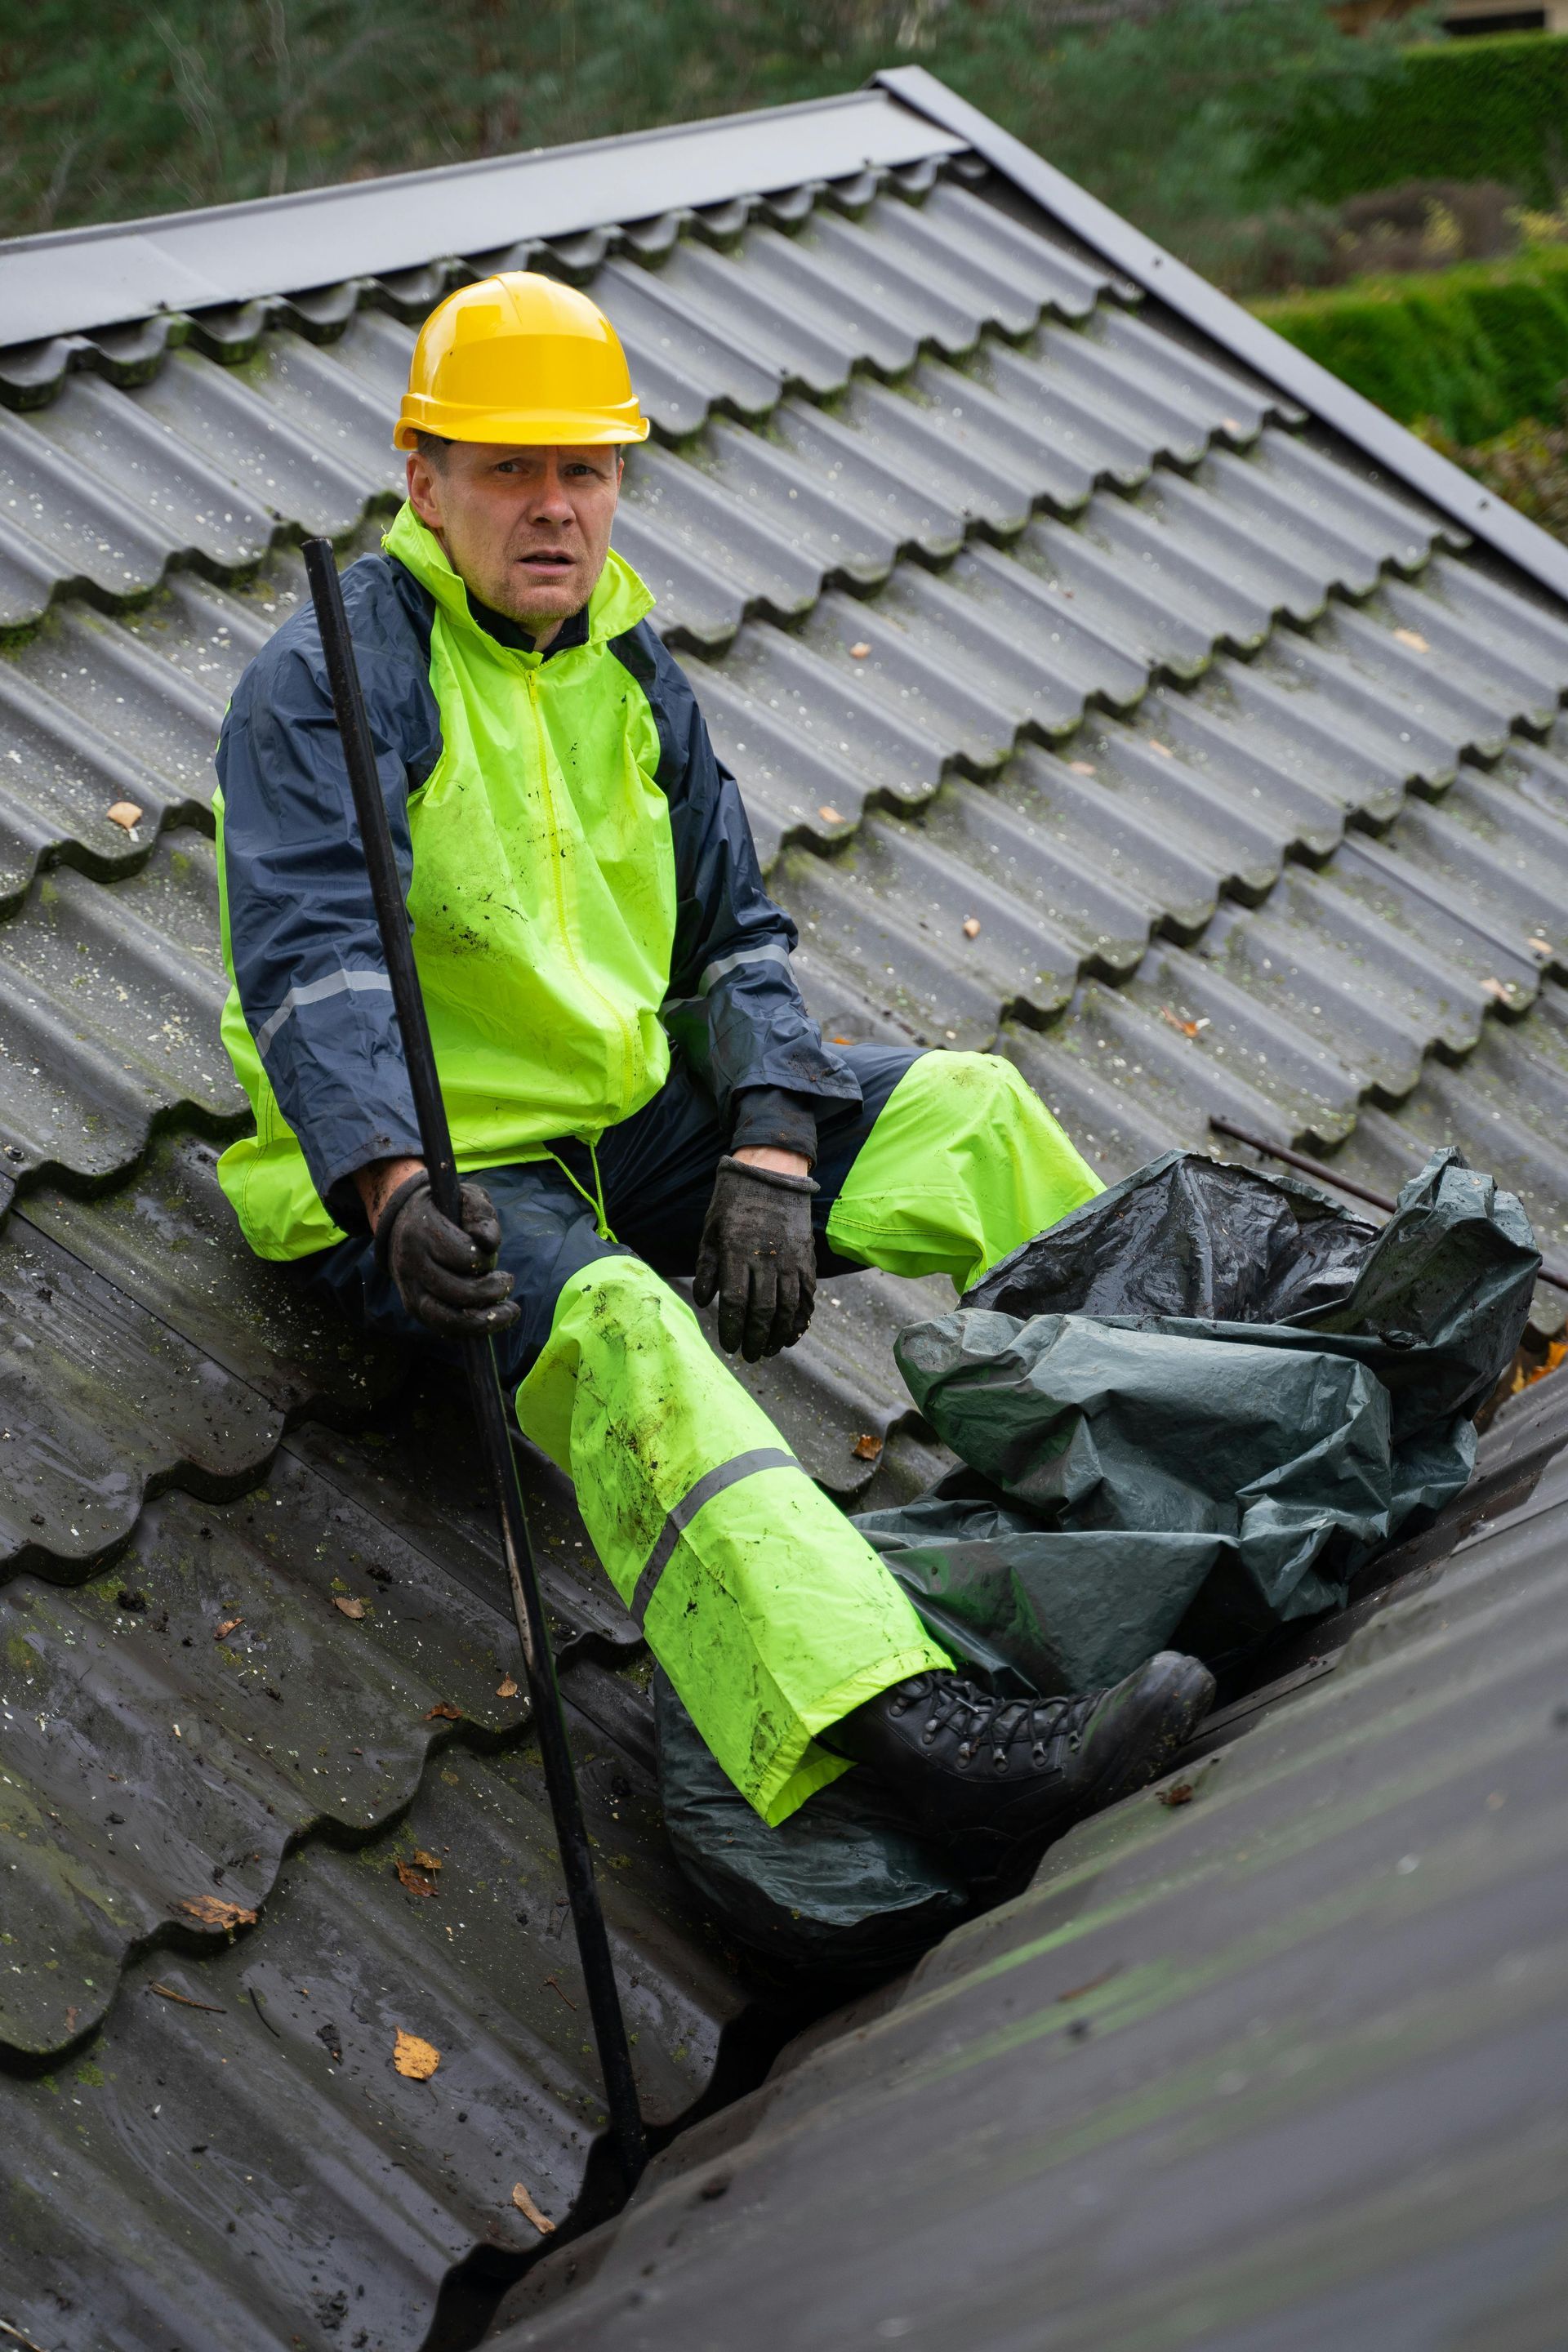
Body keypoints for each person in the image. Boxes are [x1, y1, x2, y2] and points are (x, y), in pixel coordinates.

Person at [212, 271, 1212, 1865]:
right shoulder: (338, 675)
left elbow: (736, 942)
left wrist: (766, 1145)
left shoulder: (629, 662)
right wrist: (394, 1186)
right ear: (424, 481)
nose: (556, 508)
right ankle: (910, 1729)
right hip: (441, 1175)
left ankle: (1190, 1476)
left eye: (585, 469)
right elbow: (318, 962)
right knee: (622, 1322)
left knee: (969, 1111)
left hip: (628, 1122)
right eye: (510, 469)